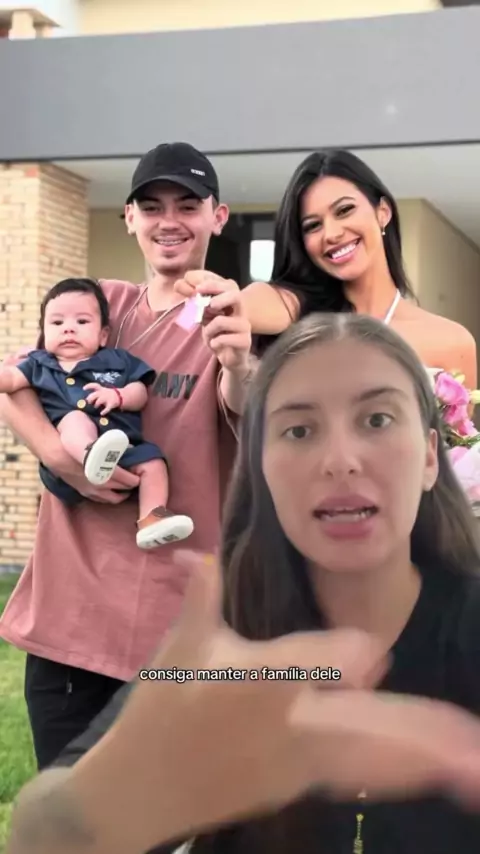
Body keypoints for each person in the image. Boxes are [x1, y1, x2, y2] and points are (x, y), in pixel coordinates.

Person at [8, 311, 480, 853]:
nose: (340, 461)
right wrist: (115, 795)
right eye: (299, 430)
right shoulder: (226, 652)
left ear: (429, 455)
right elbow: (40, 836)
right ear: (260, 468)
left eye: (376, 420)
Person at [0, 141, 252, 771]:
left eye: (188, 205)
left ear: (218, 217)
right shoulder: (97, 306)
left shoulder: (234, 318)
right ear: (129, 218)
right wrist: (62, 460)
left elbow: (244, 402)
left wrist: (239, 361)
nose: (170, 220)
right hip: (70, 618)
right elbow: (19, 384)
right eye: (152, 205)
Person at [176, 149, 477, 383]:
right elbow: (235, 306)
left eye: (344, 210)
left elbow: (462, 444)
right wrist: (201, 303)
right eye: (313, 225)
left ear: (383, 212)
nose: (331, 234)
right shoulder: (295, 307)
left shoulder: (452, 341)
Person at [0, 276, 194, 549]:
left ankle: (151, 520)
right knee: (75, 420)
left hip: (122, 448)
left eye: (81, 322)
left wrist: (119, 396)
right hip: (71, 458)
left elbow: (140, 391)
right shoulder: (38, 364)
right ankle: (91, 455)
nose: (69, 329)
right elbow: (10, 382)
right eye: (57, 323)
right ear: (43, 333)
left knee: (154, 463)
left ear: (103, 335)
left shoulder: (117, 360)